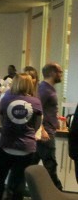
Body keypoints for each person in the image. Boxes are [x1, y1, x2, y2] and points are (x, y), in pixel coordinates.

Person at [0, 73, 42, 200]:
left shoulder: (6, 100)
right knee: (19, 180)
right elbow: (37, 125)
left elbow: (2, 121)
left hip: (7, 145)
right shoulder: (36, 102)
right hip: (27, 147)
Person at [35, 62, 64, 190]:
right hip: (45, 134)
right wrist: (42, 129)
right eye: (59, 72)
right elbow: (36, 110)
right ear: (52, 73)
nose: (61, 74)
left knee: (30, 164)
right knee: (50, 165)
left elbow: (45, 110)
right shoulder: (44, 89)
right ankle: (58, 192)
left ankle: (12, 196)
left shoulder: (48, 89)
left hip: (47, 131)